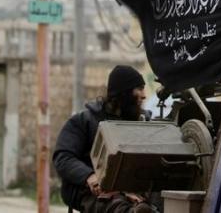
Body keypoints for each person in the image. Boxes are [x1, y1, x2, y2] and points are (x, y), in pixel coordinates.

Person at [53, 65, 153, 213]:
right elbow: (63, 157)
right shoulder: (84, 121)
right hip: (90, 190)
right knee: (117, 206)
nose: (144, 95)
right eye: (139, 88)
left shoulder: (143, 123)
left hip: (132, 189)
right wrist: (89, 176)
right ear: (123, 93)